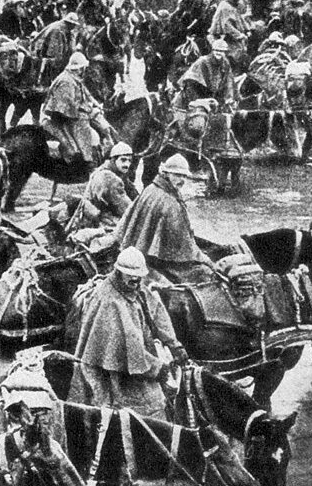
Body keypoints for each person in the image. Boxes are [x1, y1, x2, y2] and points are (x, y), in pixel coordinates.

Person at [67, 248, 189, 417]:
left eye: (138, 275)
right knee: (150, 411)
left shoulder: (136, 287)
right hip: (116, 373)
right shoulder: (110, 302)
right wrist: (159, 368)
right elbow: (130, 353)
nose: (135, 278)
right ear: (118, 272)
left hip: (142, 363)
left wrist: (174, 344)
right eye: (129, 274)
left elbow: (157, 313)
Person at [113, 153, 213, 283]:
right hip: (158, 262)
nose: (181, 179)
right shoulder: (170, 204)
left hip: (140, 251)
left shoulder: (151, 188)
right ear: (166, 173)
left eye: (184, 176)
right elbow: (184, 247)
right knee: (205, 273)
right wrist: (206, 260)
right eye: (177, 175)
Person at [41, 51, 114, 164]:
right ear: (79, 68)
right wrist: (89, 109)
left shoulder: (74, 78)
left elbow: (87, 94)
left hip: (76, 114)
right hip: (65, 118)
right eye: (83, 67)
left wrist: (96, 105)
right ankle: (88, 161)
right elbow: (68, 108)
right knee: (88, 136)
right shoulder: (66, 82)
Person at [67, 141, 139, 240]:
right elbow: (126, 209)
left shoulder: (103, 170)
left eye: (129, 161)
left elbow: (132, 191)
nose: (127, 164)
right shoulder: (110, 178)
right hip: (100, 220)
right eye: (123, 160)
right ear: (113, 160)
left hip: (89, 217)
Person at [177, 38, 240, 109]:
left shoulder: (225, 63)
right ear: (212, 50)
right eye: (217, 50)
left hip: (212, 94)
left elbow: (229, 81)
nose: (219, 53)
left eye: (222, 51)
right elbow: (191, 80)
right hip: (195, 92)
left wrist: (229, 98)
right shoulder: (203, 61)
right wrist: (199, 101)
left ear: (225, 52)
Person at [208, 0, 250, 71]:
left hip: (230, 36)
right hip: (223, 36)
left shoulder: (232, 7)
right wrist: (239, 35)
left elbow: (240, 19)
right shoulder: (226, 7)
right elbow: (227, 26)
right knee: (235, 53)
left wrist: (247, 30)